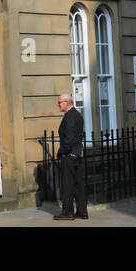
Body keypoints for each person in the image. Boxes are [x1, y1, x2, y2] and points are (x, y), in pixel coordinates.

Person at [54, 92, 87, 220]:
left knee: (67, 184)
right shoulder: (76, 114)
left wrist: (62, 151)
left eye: (59, 103)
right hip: (78, 153)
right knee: (78, 184)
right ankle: (82, 211)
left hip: (70, 154)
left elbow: (69, 138)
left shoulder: (70, 117)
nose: (58, 105)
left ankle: (67, 212)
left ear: (66, 103)